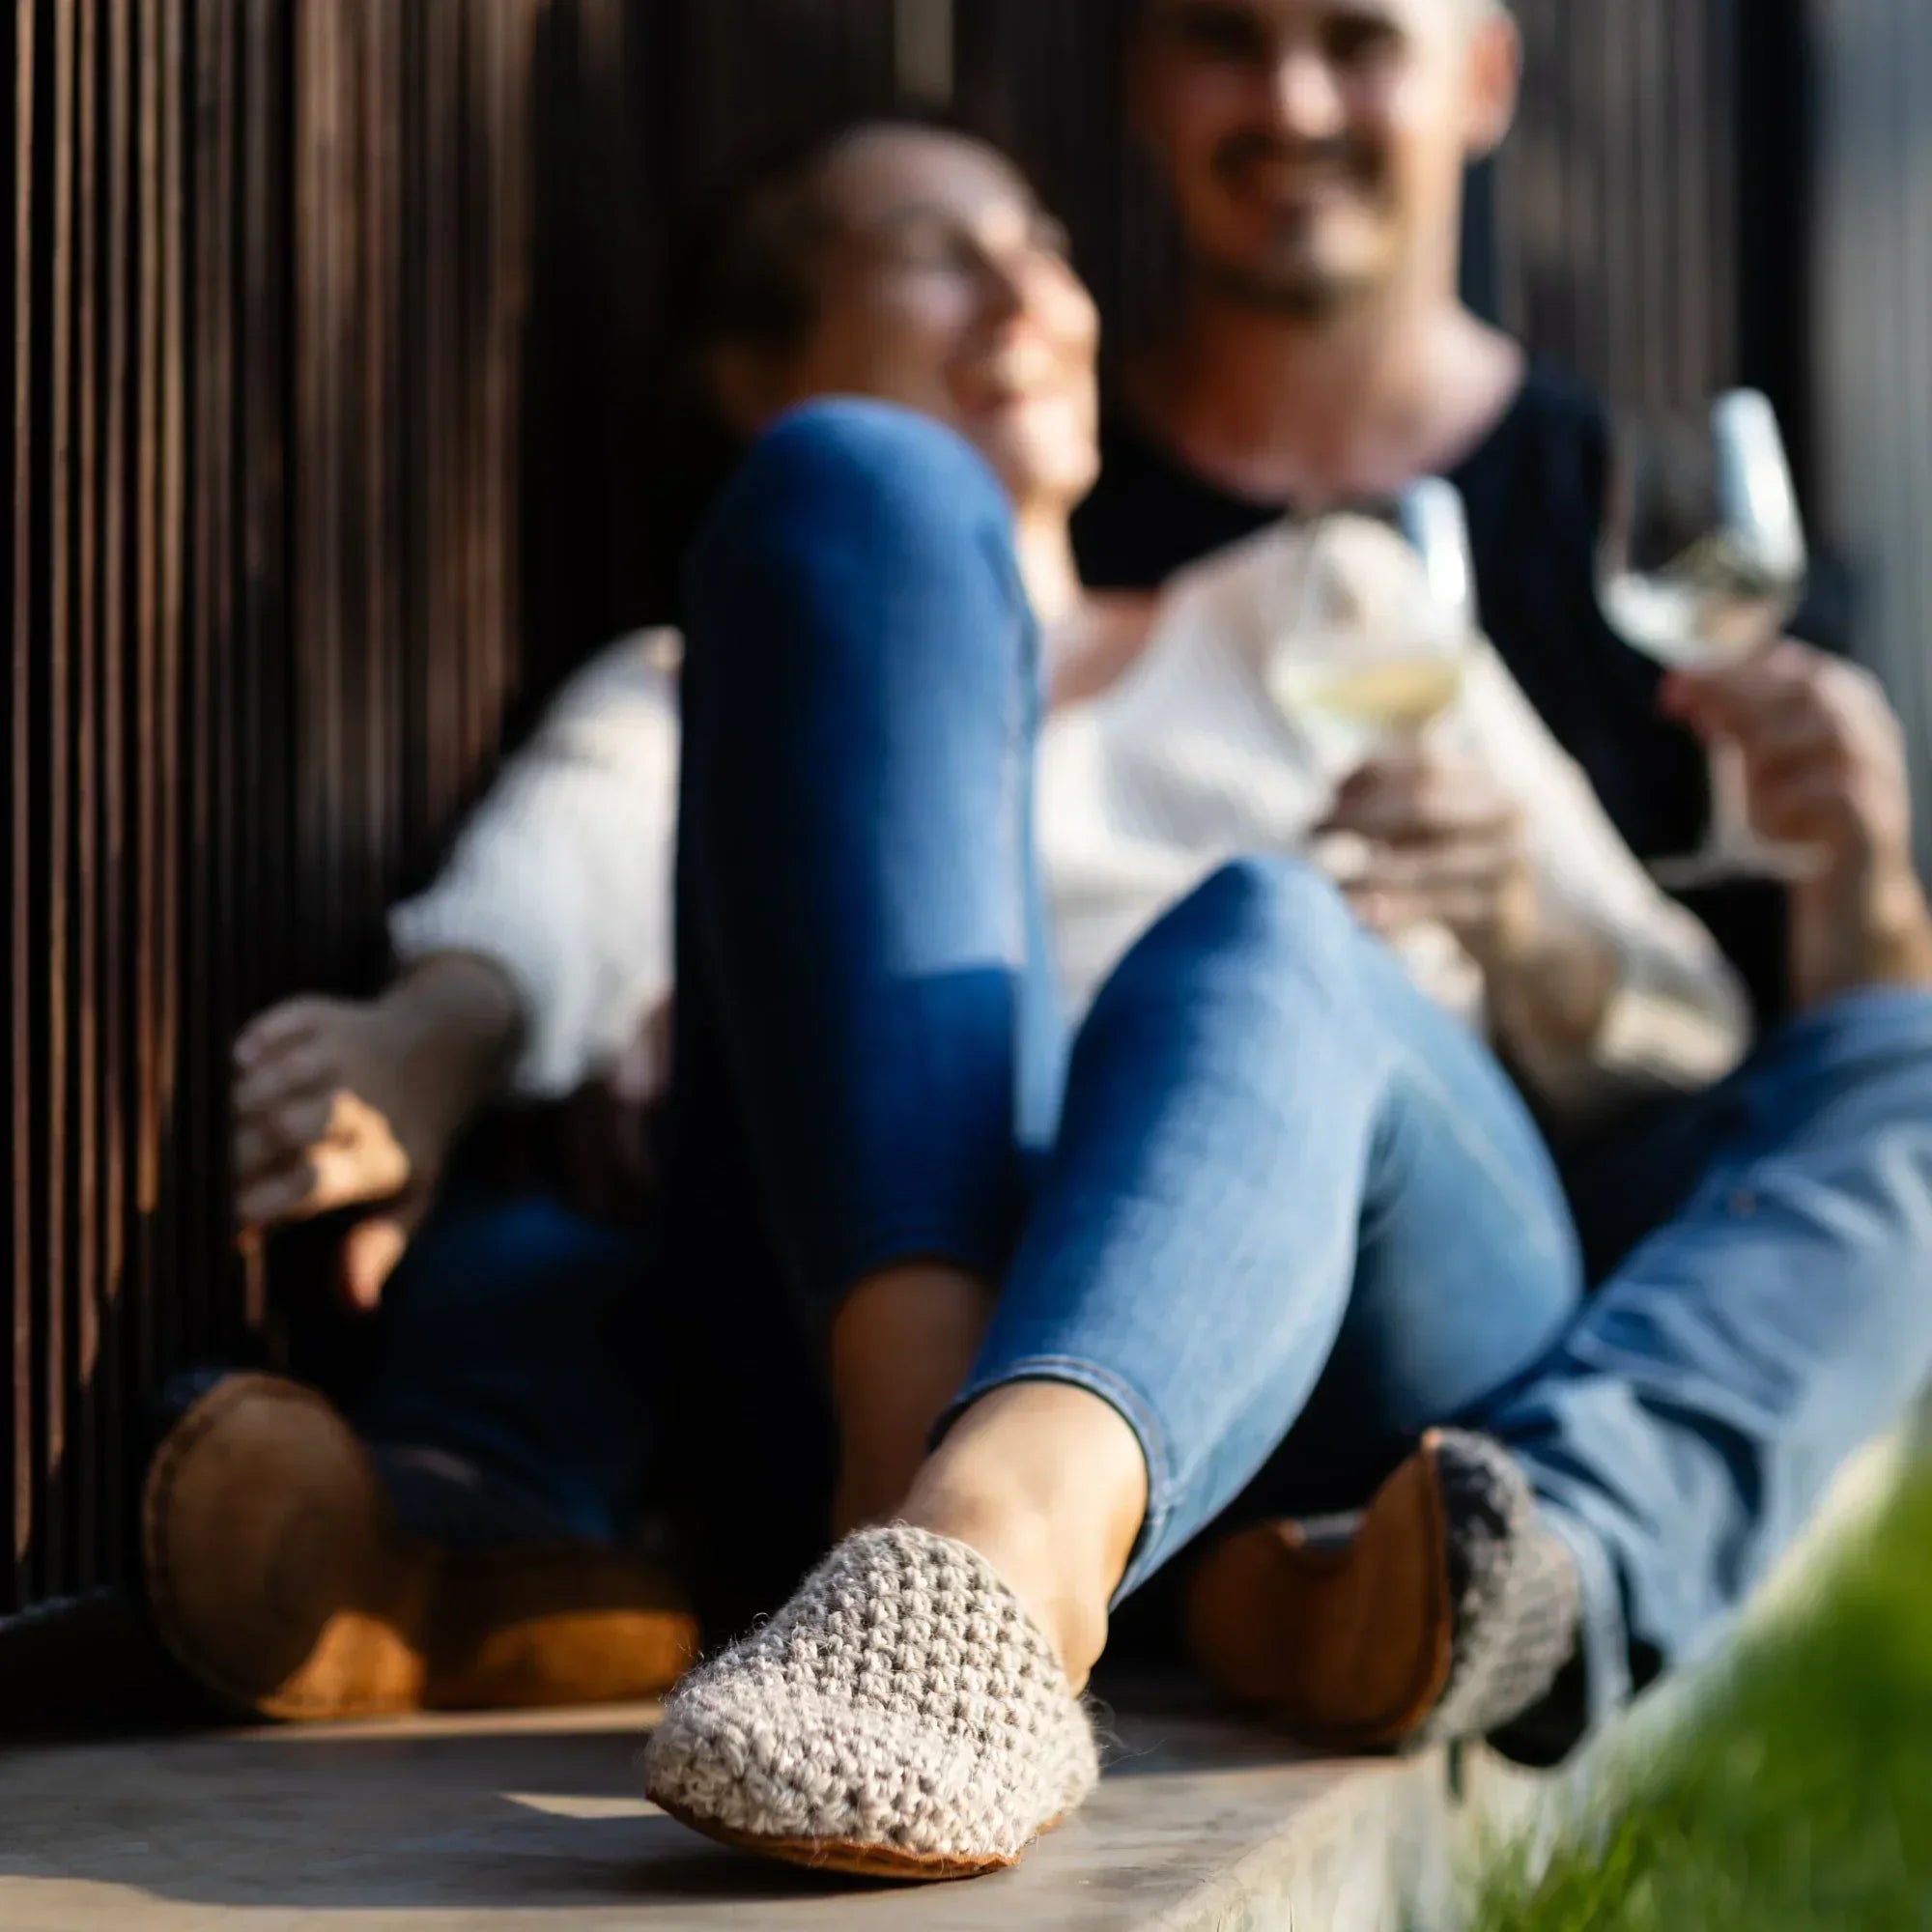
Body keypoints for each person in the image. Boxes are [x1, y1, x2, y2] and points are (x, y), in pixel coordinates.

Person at [149, 113, 1742, 1740]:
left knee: (1268, 939)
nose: (1023, 292)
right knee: (873, 489)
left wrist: (1529, 923)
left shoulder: (1318, 601)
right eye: (931, 251)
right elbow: (552, 891)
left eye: (1040, 245)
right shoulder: (710, 693)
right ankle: (940, 1548)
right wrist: (421, 1044)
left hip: (1348, 1331)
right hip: (862, 1403)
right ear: (756, 373)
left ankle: (975, 1563)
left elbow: (1692, 1036)